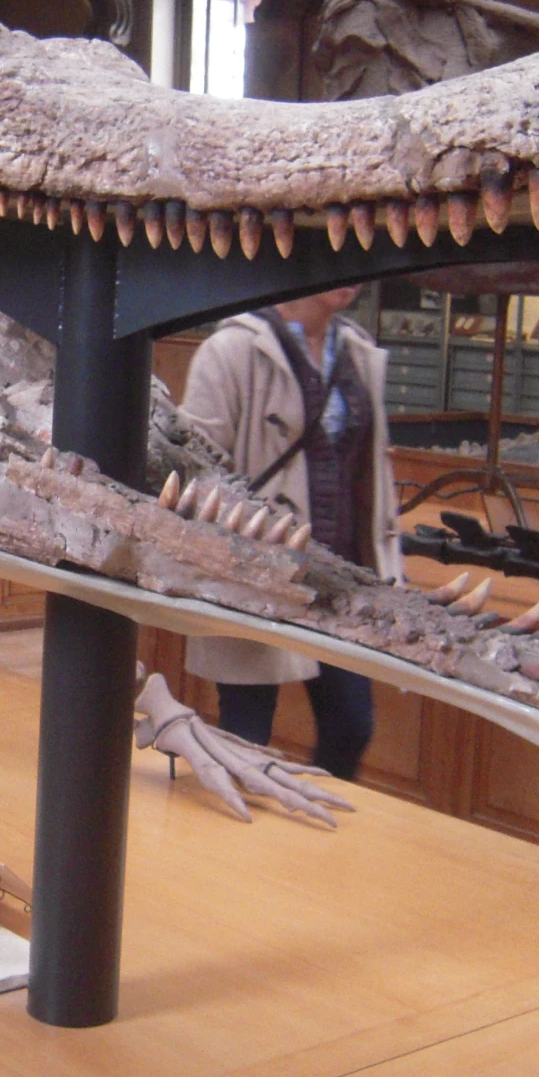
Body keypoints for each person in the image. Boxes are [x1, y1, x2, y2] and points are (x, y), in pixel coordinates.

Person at [179, 286, 401, 779]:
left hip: (342, 581)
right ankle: (236, 848)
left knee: (351, 723)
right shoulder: (232, 349)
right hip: (258, 576)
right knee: (246, 729)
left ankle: (317, 840)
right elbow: (192, 463)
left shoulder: (358, 352)